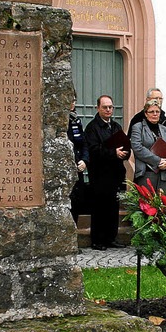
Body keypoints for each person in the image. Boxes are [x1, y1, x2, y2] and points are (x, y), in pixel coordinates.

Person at [84, 95, 131, 251]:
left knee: (112, 209)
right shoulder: (92, 128)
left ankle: (111, 237)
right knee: (99, 209)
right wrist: (113, 153)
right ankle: (98, 240)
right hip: (99, 175)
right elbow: (93, 150)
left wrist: (125, 152)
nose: (108, 110)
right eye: (105, 107)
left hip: (115, 174)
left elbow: (125, 145)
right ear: (98, 108)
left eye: (111, 107)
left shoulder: (116, 126)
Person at [130, 99, 166, 192]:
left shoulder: (165, 129)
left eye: (157, 111)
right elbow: (137, 148)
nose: (155, 114)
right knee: (147, 204)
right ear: (146, 113)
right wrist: (158, 160)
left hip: (164, 173)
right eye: (151, 112)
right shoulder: (138, 127)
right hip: (147, 173)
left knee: (163, 204)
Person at [67, 95, 89, 223]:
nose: (73, 103)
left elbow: (83, 143)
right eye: (70, 100)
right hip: (66, 168)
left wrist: (84, 160)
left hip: (78, 168)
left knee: (77, 202)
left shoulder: (76, 120)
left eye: (74, 100)